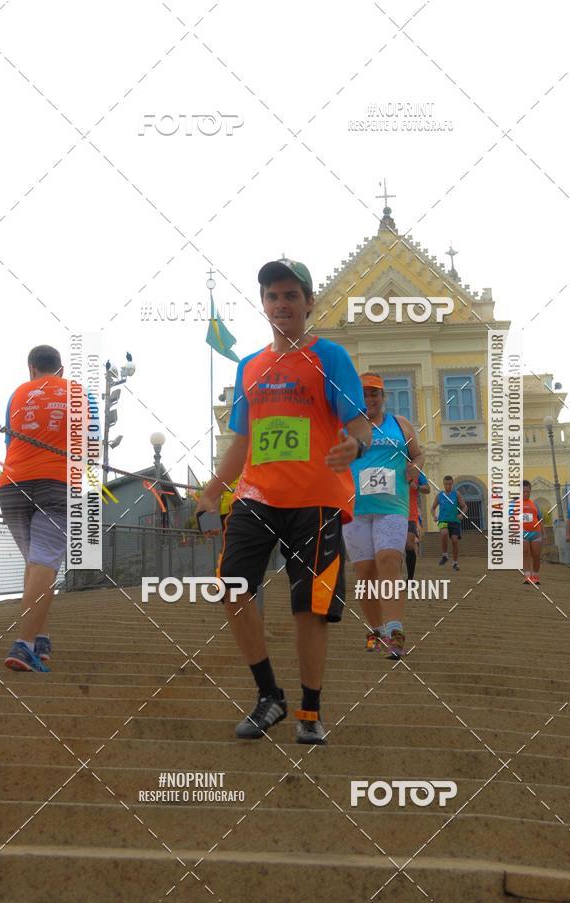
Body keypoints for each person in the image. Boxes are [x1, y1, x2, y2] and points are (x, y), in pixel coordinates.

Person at [196, 258, 371, 745]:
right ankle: (268, 696)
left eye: (291, 295)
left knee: (308, 607)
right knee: (232, 587)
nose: (281, 304)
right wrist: (212, 492)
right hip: (256, 497)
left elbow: (358, 423)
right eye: (273, 296)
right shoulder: (249, 366)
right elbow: (241, 442)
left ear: (308, 302)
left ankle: (309, 711)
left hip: (316, 499)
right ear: (263, 304)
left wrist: (355, 445)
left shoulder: (329, 357)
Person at [0, 346, 71, 671]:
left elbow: (10, 444)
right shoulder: (79, 394)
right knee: (44, 561)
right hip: (57, 483)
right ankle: (24, 644)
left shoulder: (17, 395)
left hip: (11, 486)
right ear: (61, 369)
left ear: (31, 368)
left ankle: (40, 638)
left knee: (37, 561)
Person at [343, 373, 424, 658]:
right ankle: (375, 631)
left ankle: (395, 631)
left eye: (374, 394)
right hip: (355, 509)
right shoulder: (346, 427)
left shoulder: (400, 425)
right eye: (364, 394)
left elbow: (418, 454)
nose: (369, 399)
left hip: (392, 506)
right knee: (365, 574)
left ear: (383, 397)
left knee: (389, 562)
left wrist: (415, 467)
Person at [431, 476, 467, 571]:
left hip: (455, 521)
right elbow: (433, 507)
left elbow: (464, 506)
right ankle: (445, 555)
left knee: (454, 541)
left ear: (452, 484)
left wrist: (461, 514)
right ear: (443, 484)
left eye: (450, 484)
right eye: (446, 484)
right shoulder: (439, 495)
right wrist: (434, 516)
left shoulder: (457, 494)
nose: (448, 486)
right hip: (443, 520)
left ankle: (455, 563)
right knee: (444, 533)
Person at [406, 468, 430, 582]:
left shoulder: (416, 473)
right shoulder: (391, 467)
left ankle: (410, 579)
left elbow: (427, 488)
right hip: (392, 513)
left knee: (409, 545)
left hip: (410, 515)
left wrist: (418, 487)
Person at [519, 479, 543, 586]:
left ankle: (536, 576)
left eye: (527, 491)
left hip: (535, 532)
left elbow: (540, 519)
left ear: (530, 491)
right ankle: (527, 576)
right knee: (525, 552)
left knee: (536, 555)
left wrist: (544, 534)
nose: (525, 494)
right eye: (523, 492)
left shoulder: (535, 504)